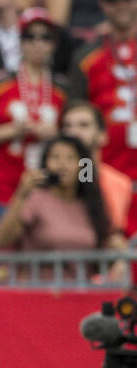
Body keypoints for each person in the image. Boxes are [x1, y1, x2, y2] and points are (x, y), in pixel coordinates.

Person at [0, 135, 128, 280]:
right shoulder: (35, 198)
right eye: (55, 157)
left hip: (80, 295)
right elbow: (2, 239)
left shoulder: (91, 204)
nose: (62, 164)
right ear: (45, 163)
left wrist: (114, 250)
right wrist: (21, 194)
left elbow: (98, 264)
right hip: (38, 293)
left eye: (70, 158)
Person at [0, 9, 68, 222]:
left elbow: (78, 139)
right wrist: (11, 130)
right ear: (19, 42)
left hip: (51, 188)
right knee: (4, 250)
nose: (37, 43)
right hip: (2, 188)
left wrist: (56, 134)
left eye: (45, 37)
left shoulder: (64, 87)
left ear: (53, 44)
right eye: (30, 36)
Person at [70, 0, 137, 238]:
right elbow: (76, 128)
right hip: (105, 184)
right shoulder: (86, 56)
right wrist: (86, 183)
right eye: (112, 1)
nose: (121, 6)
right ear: (102, 5)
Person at [61, 99, 133, 236]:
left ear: (102, 135)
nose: (73, 132)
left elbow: (114, 232)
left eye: (83, 125)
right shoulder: (48, 177)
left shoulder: (119, 183)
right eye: (67, 126)